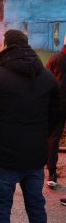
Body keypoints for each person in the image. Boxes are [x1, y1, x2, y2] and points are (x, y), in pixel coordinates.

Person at [0, 29, 60, 223]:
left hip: (5, 154)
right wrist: (42, 137)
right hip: (35, 153)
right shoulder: (48, 77)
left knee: (1, 205)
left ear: (6, 46)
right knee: (36, 204)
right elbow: (55, 116)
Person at [45, 34, 66, 188]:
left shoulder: (54, 59)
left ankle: (52, 173)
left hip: (57, 105)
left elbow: (46, 81)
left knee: (53, 139)